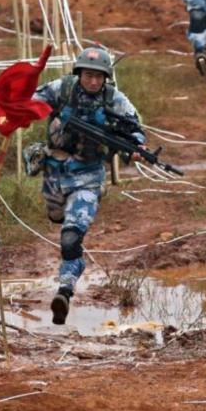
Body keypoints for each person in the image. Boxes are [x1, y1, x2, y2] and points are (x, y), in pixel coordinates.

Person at [30, 45, 144, 325]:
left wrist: (136, 146)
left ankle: (64, 291)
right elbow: (30, 102)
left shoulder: (113, 99)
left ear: (106, 77)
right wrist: (19, 111)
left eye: (99, 76)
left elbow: (136, 128)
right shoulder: (63, 89)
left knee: (71, 236)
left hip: (89, 176)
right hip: (54, 173)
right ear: (80, 73)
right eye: (89, 75)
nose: (93, 81)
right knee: (56, 217)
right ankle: (66, 262)